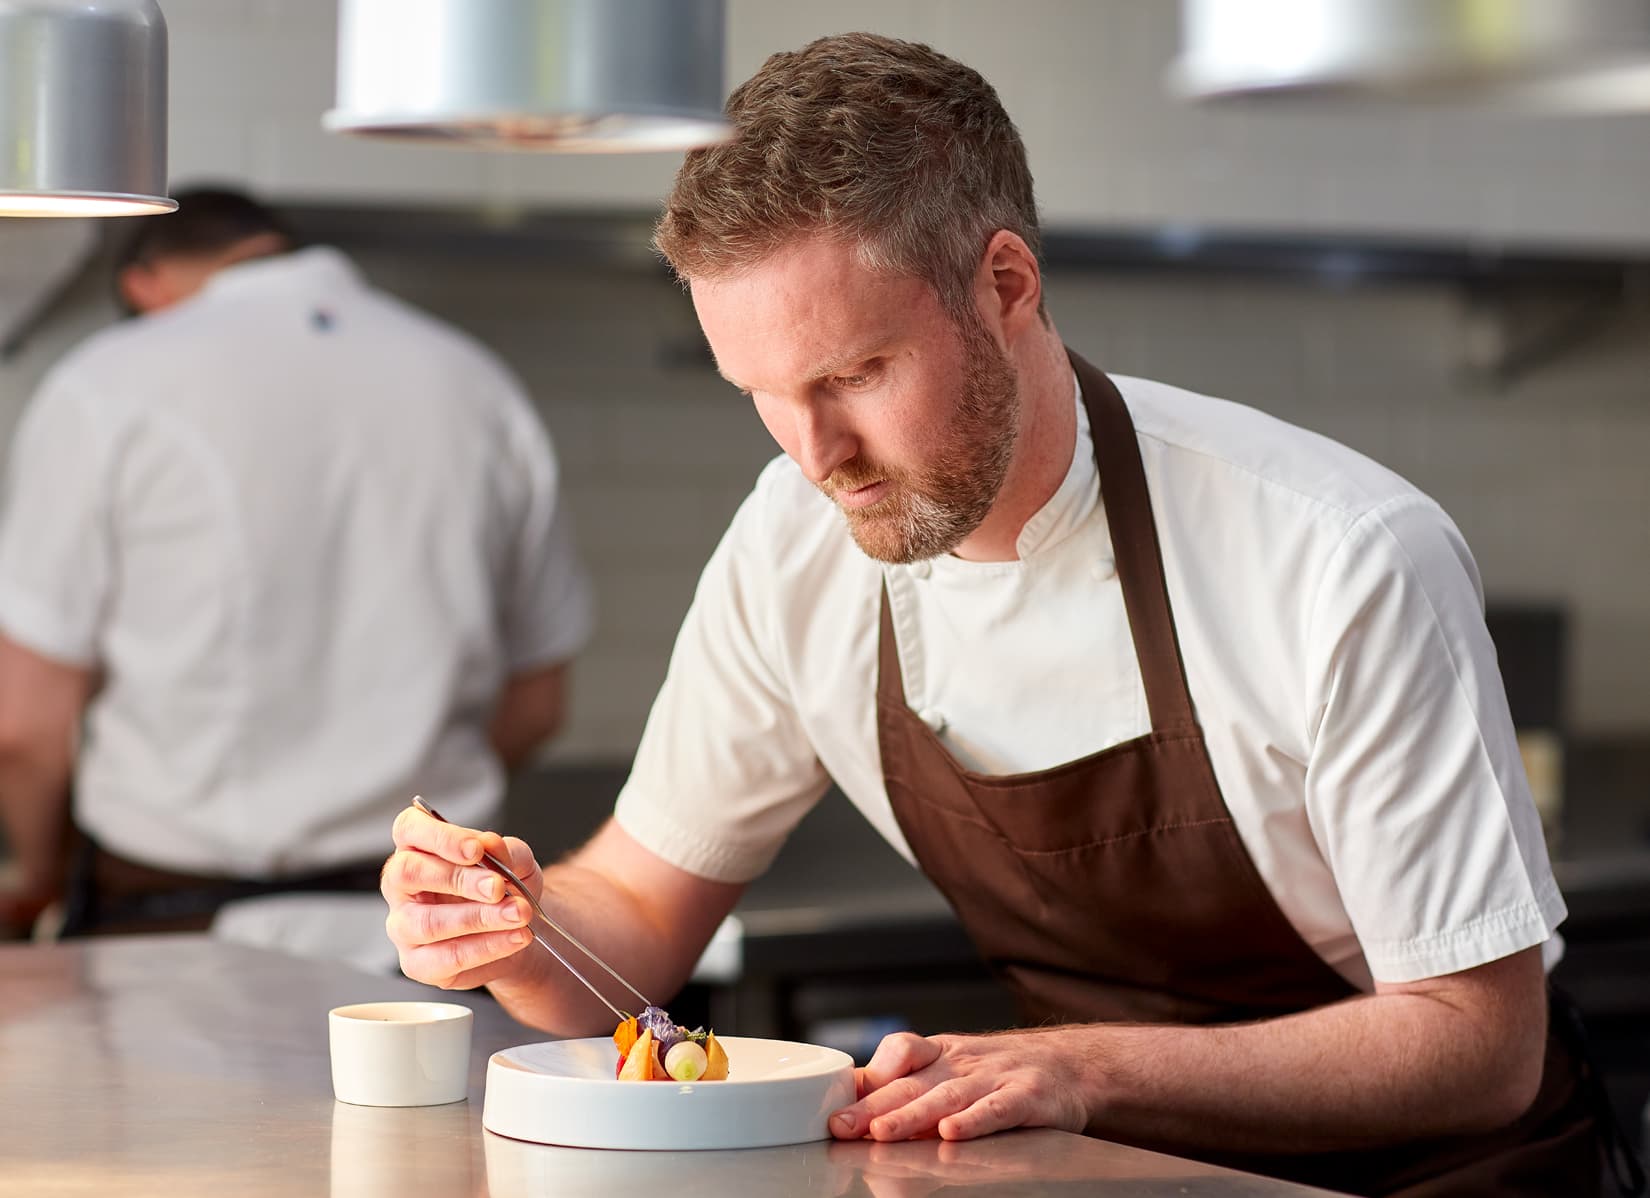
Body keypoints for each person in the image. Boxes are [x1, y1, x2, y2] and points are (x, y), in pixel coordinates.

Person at [377, 34, 1633, 1195]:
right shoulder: (790, 543)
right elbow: (640, 919)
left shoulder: (1338, 555)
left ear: (1007, 284)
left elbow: (1479, 1043)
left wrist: (1085, 1070)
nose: (819, 453)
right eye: (761, 390)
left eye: (853, 375)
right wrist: (510, 932)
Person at [0, 187, 593, 965]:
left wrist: (40, 872)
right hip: (428, 940)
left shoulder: (105, 385)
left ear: (143, 284)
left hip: (165, 936)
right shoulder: (479, 384)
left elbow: (24, 730)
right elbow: (537, 704)